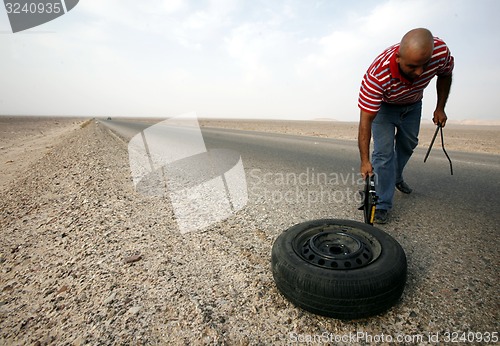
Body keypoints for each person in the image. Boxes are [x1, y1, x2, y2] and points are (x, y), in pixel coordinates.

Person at [357, 28, 454, 224]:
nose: (419, 73)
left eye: (424, 66)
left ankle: (395, 176)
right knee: (383, 155)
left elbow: (445, 74)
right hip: (384, 108)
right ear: (398, 57)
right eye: (412, 66)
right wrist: (365, 161)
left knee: (408, 144)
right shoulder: (377, 76)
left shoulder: (440, 52)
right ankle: (382, 203)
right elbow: (365, 121)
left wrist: (440, 107)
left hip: (413, 104)